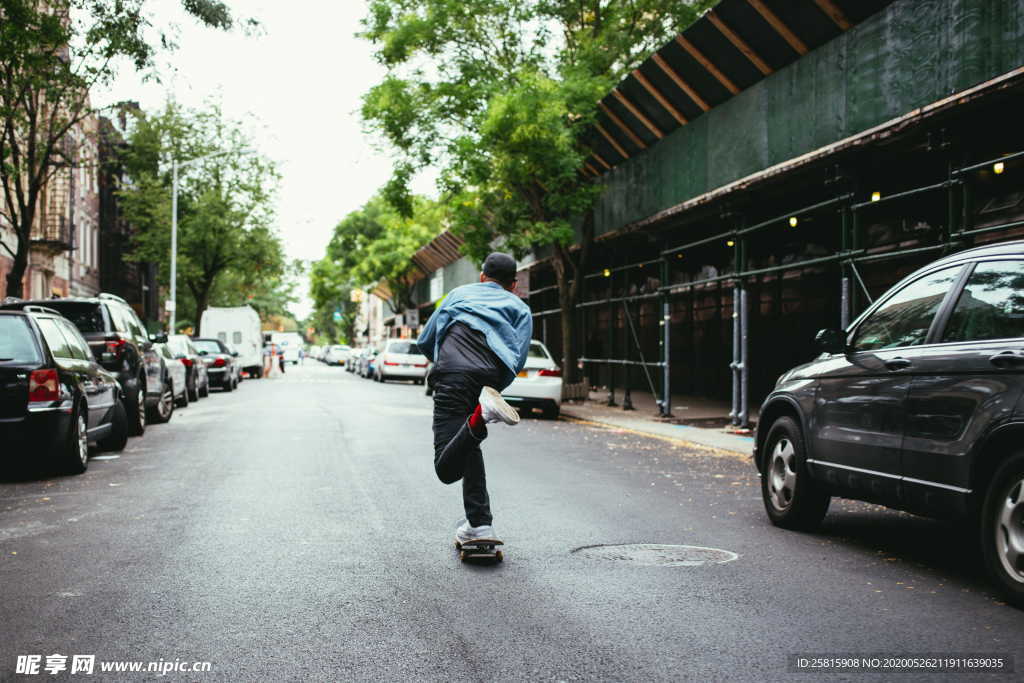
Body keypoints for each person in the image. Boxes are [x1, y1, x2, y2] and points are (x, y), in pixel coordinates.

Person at [417, 252, 533, 546]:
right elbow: (516, 359)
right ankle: (480, 524)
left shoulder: (459, 294)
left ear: (482, 277)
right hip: (488, 379)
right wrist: (493, 388)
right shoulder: (520, 307)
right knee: (470, 447)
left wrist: (443, 362)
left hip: (453, 375)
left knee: (445, 469)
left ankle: (480, 416)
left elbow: (426, 339)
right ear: (514, 284)